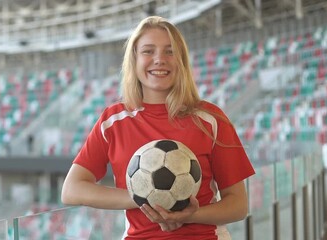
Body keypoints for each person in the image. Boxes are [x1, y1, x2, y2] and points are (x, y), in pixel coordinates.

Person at [61, 16, 255, 239]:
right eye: (148, 51)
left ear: (181, 60)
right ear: (134, 60)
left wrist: (188, 215)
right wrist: (142, 196)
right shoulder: (113, 121)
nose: (159, 59)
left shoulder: (210, 119)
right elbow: (72, 190)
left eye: (170, 51)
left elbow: (238, 204)